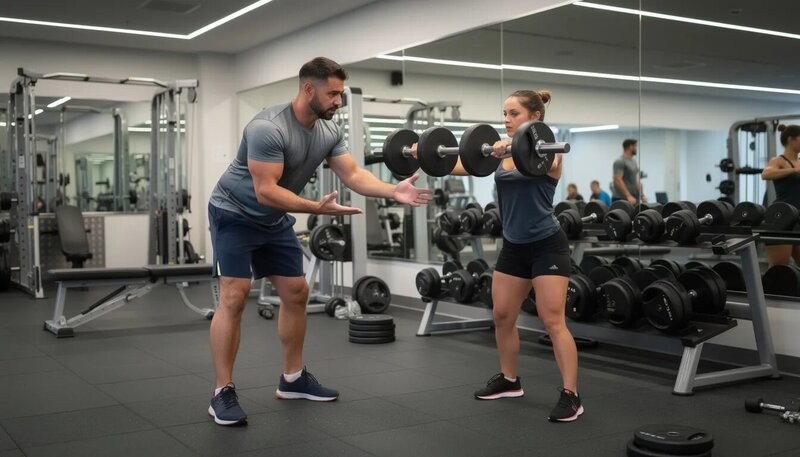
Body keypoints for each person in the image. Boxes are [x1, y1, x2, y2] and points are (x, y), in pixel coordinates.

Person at [206, 57, 432, 426]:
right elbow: (265, 191)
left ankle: (293, 379)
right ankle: (222, 392)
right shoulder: (268, 128)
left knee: (296, 292)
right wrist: (315, 207)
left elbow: (353, 173)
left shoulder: (328, 130)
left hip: (274, 219)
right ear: (308, 89)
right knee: (234, 295)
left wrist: (392, 191)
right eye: (332, 94)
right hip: (234, 213)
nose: (338, 101)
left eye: (340, 94)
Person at [414, 90, 582, 422]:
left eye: (513, 113)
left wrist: (510, 148)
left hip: (547, 244)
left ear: (535, 117)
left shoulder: (549, 152)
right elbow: (460, 163)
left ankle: (571, 395)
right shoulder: (499, 153)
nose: (506, 120)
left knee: (552, 320)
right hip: (514, 247)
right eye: (504, 113)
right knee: (502, 315)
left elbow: (544, 164)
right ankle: (509, 379)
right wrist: (425, 154)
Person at [761, 124, 800, 267]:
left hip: (798, 217)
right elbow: (766, 174)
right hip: (782, 218)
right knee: (779, 268)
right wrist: (794, 170)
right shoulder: (779, 160)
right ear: (791, 139)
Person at [612, 139, 646, 204]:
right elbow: (618, 179)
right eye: (635, 146)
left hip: (633, 197)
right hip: (621, 198)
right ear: (630, 147)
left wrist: (642, 195)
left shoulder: (634, 161)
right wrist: (628, 195)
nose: (636, 149)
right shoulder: (620, 161)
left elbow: (636, 180)